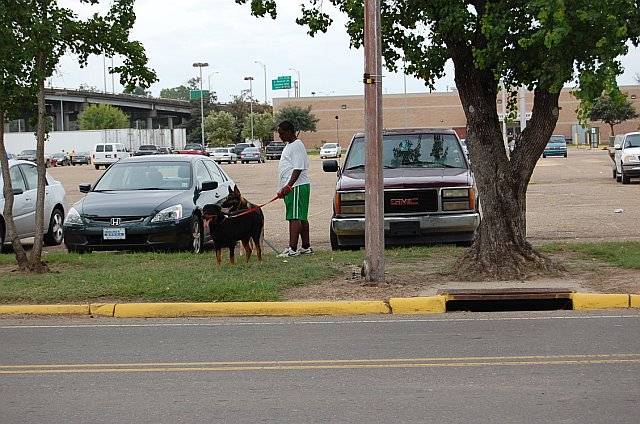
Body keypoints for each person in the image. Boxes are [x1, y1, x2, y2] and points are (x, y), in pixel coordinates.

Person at [275, 120, 313, 257]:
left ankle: (292, 249)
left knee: (294, 217)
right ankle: (306, 247)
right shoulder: (289, 145)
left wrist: (288, 185)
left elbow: (298, 168)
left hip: (296, 186)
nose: (279, 136)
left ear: (290, 132)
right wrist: (281, 188)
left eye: (281, 133)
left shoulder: (297, 145)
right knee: (301, 217)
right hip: (294, 187)